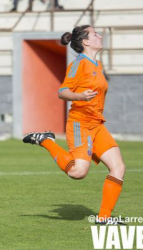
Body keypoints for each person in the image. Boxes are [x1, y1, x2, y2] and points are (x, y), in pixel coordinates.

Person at [23, 25, 126, 224]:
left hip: (97, 124)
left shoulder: (97, 63)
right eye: (95, 34)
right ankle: (46, 141)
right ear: (86, 42)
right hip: (80, 123)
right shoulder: (79, 64)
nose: (99, 36)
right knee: (78, 172)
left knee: (118, 167)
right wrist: (80, 95)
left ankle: (104, 218)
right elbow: (62, 92)